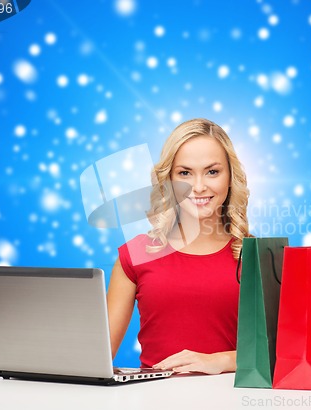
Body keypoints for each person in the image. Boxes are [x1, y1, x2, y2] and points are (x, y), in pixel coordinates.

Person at [107, 118, 250, 375]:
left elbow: (282, 353)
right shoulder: (136, 255)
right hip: (154, 399)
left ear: (230, 177)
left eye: (212, 172)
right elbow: (98, 356)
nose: (198, 187)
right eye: (184, 173)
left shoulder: (257, 256)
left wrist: (222, 361)